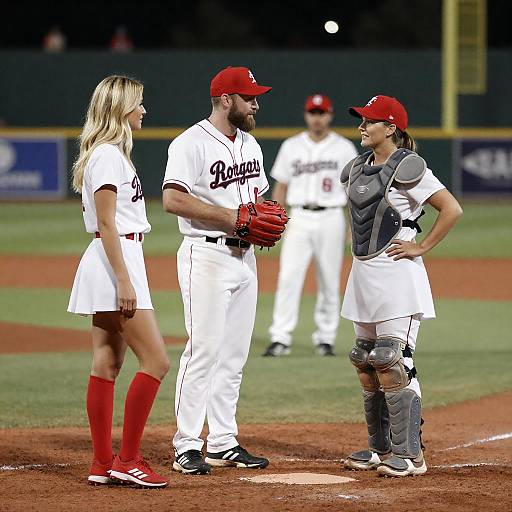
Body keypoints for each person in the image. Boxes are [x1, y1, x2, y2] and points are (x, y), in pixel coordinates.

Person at [162, 66, 277, 475]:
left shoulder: (251, 145)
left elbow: (258, 201)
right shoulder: (189, 143)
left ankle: (223, 442)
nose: (256, 103)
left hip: (245, 259)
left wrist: (261, 217)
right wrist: (230, 217)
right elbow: (173, 200)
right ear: (226, 99)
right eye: (249, 97)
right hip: (205, 255)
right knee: (204, 350)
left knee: (234, 356)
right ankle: (187, 444)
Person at [340, 95, 463, 477]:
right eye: (361, 120)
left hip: (397, 277)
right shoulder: (358, 167)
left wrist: (421, 246)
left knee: (392, 361)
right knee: (365, 360)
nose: (362, 127)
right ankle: (380, 449)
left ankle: (411, 455)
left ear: (390, 128)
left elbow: (451, 208)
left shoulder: (409, 167)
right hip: (363, 274)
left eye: (369, 121)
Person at [68, 75, 170, 488]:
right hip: (117, 259)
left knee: (107, 363)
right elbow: (108, 223)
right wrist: (124, 280)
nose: (144, 110)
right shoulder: (108, 156)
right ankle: (127, 459)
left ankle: (101, 462)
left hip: (111, 258)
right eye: (138, 103)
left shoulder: (104, 154)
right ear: (121, 109)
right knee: (158, 361)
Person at [263, 94, 358, 357]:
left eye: (322, 113)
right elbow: (280, 186)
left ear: (330, 115)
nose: (317, 118)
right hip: (299, 217)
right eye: (313, 112)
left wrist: (353, 225)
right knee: (288, 277)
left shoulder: (344, 148)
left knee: (329, 279)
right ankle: (280, 337)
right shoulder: (291, 146)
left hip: (331, 217)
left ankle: (325, 338)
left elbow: (353, 191)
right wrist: (276, 220)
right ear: (307, 115)